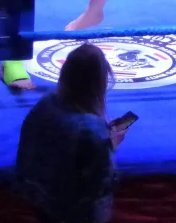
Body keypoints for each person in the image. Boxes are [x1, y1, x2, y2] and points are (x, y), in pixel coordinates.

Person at [15, 43, 129, 223]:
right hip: (74, 213)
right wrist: (110, 147)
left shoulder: (46, 103)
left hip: (41, 200)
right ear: (99, 83)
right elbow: (101, 185)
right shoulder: (90, 131)